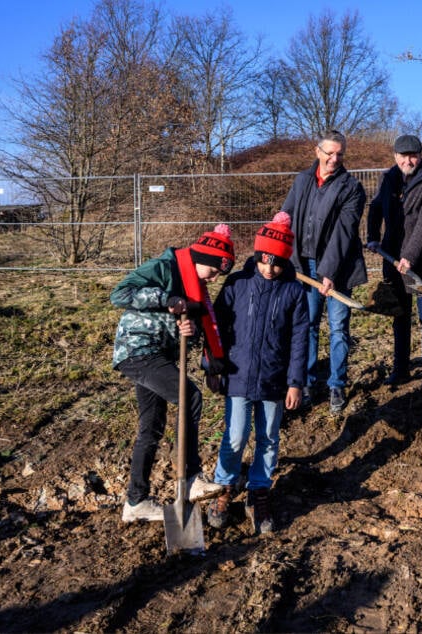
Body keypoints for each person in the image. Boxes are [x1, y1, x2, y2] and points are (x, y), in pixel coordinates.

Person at [111, 225, 233, 522]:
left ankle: (136, 502)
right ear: (203, 258)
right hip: (137, 349)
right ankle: (191, 477)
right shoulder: (165, 266)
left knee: (151, 427)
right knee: (189, 396)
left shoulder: (195, 285)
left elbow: (181, 325)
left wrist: (185, 330)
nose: (215, 279)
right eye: (215, 271)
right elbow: (120, 294)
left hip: (158, 353)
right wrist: (168, 301)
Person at [206, 212, 308, 535]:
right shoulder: (237, 284)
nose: (268, 269)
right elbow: (216, 327)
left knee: (268, 438)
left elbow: (299, 340)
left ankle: (259, 489)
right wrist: (212, 365)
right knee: (235, 435)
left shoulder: (294, 293)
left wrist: (295, 382)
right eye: (264, 260)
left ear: (285, 261)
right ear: (257, 254)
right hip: (237, 376)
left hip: (274, 381)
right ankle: (224, 485)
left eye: (276, 263)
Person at [281, 130, 368, 414]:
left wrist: (328, 272)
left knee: (338, 328)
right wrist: (277, 242)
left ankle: (336, 385)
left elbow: (344, 233)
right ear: (317, 151)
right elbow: (287, 214)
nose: (334, 159)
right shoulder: (303, 180)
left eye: (339, 154)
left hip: (338, 268)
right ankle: (305, 383)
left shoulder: (351, 188)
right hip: (303, 265)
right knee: (306, 326)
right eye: (329, 153)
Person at [366, 134, 422, 390]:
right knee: (399, 316)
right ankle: (400, 368)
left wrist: (409, 256)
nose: (408, 160)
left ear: (420, 156)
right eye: (403, 155)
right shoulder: (388, 178)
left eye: (413, 155)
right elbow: (376, 206)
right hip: (393, 260)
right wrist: (372, 236)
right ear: (395, 156)